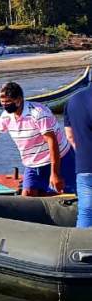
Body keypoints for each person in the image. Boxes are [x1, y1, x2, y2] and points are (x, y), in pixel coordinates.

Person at [0, 81, 76, 196]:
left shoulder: (38, 113)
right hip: (32, 164)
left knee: (67, 194)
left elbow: (52, 141)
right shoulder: (7, 116)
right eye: (2, 102)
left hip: (60, 159)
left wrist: (55, 173)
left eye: (8, 102)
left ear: (19, 100)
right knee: (27, 195)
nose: (5, 105)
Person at [65, 83, 91, 227]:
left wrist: (82, 152)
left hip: (83, 166)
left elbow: (70, 136)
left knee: (86, 210)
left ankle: (82, 246)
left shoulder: (72, 100)